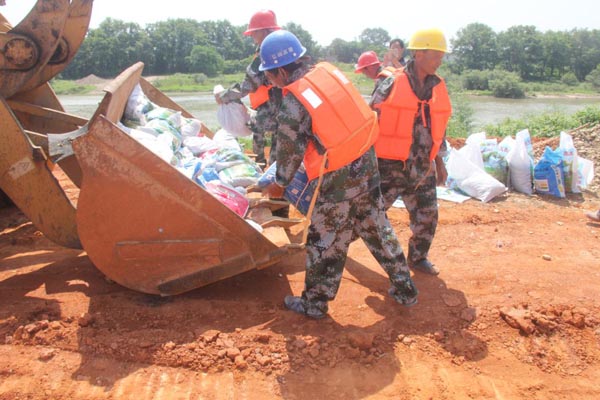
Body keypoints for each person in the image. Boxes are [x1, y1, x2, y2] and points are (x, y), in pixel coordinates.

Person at [258, 30, 418, 319]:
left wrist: (279, 183)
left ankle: (314, 304)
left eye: (269, 75)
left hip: (338, 177)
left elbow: (289, 151)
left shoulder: (295, 100)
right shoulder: (327, 73)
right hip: (367, 164)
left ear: (281, 71)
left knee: (325, 238)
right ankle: (406, 289)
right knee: (376, 226)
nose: (271, 81)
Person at [369, 28, 452, 276]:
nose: (439, 61)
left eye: (441, 56)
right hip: (389, 166)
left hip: (422, 167)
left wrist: (439, 162)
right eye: (435, 55)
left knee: (427, 216)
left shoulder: (437, 86)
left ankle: (418, 258)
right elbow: (371, 120)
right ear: (418, 54)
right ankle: (335, 251)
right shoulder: (391, 82)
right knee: (369, 217)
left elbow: (439, 126)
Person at [215, 10, 282, 166]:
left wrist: (224, 96)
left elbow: (247, 85)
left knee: (259, 126)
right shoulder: (279, 47)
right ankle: (266, 165)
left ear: (265, 31)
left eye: (254, 32)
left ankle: (264, 166)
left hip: (279, 107)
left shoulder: (266, 52)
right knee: (274, 135)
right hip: (282, 106)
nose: (251, 36)